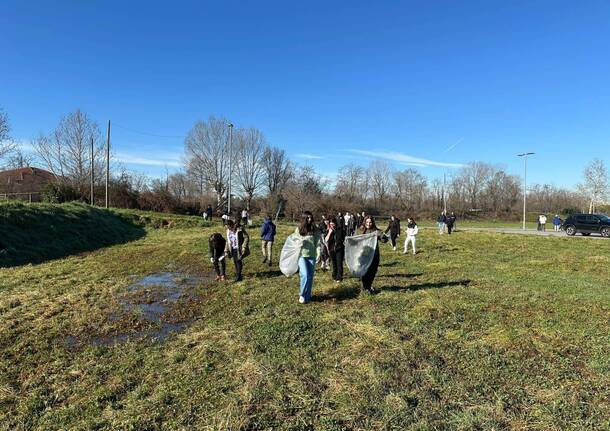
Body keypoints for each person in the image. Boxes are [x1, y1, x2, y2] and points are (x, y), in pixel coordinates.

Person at [294, 211, 321, 304]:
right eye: (308, 218)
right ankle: (302, 294)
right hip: (302, 255)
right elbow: (294, 240)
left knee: (310, 276)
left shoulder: (315, 229)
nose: (310, 219)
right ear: (304, 219)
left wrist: (318, 252)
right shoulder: (299, 229)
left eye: (311, 218)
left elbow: (317, 242)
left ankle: (308, 295)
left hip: (312, 256)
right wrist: (299, 242)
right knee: (304, 275)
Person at [360, 215, 384, 295]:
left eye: (370, 222)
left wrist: (382, 236)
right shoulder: (360, 230)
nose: (368, 224)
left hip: (374, 254)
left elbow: (384, 240)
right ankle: (365, 287)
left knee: (373, 271)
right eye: (367, 222)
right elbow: (355, 239)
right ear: (364, 222)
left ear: (372, 223)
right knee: (365, 271)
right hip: (365, 254)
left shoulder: (376, 231)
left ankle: (368, 286)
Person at [325, 217, 346, 282]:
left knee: (339, 263)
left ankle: (339, 277)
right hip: (331, 249)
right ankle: (334, 276)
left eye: (333, 224)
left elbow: (344, 238)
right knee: (334, 263)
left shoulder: (340, 230)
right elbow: (326, 240)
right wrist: (329, 232)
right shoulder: (328, 231)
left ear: (335, 223)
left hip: (339, 249)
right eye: (330, 224)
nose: (332, 225)